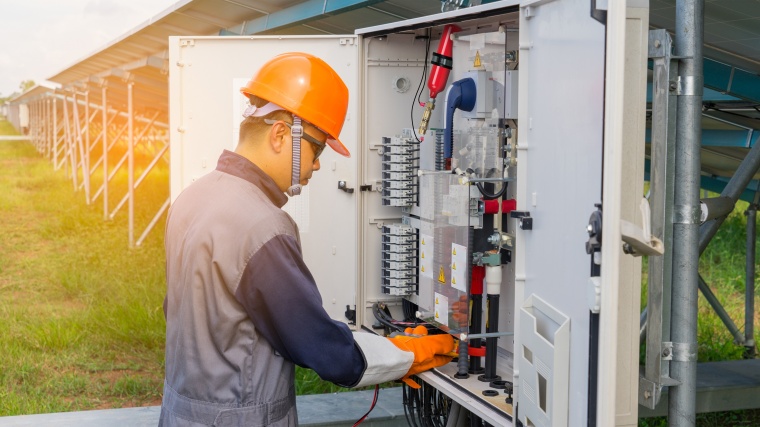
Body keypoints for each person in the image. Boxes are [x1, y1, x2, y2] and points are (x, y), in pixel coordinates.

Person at [159, 52, 455, 427]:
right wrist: (406, 355)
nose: (317, 164)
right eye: (317, 148)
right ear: (281, 134)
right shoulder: (263, 226)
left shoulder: (193, 197)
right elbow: (321, 347)